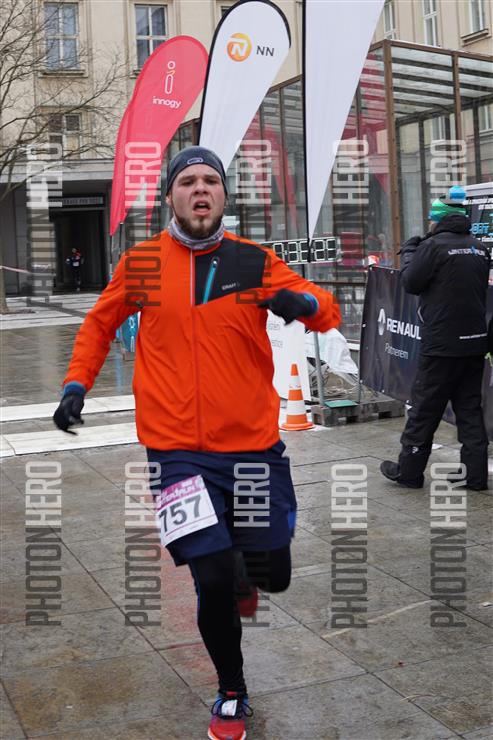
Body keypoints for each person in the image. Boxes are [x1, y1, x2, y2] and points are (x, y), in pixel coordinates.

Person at [53, 146, 341, 740]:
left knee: (272, 572)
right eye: (188, 181)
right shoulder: (142, 264)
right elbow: (100, 324)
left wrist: (303, 302)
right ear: (171, 197)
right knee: (209, 577)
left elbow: (327, 312)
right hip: (176, 451)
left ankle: (245, 575)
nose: (201, 189)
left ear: (224, 196)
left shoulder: (253, 261)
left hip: (253, 447)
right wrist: (77, 384)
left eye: (211, 180)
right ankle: (231, 690)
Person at [380, 185, 490, 491]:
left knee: (424, 409)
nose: (428, 223)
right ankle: (475, 476)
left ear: (438, 220)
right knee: (469, 409)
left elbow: (411, 283)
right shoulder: (479, 248)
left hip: (441, 345)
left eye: (431, 219)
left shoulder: (433, 247)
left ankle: (409, 472)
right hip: (474, 342)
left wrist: (410, 253)